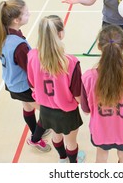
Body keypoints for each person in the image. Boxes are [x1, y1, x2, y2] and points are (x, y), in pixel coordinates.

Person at [81, 25, 123, 163]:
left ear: (99, 46)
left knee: (101, 156)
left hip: (101, 130)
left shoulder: (88, 77)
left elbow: (85, 111)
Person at [27, 15, 85, 163]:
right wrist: (88, 107)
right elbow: (78, 94)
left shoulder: (32, 56)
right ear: (60, 34)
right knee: (71, 142)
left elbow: (31, 83)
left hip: (46, 109)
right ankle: (73, 164)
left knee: (55, 135)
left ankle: (62, 159)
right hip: (67, 112)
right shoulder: (70, 61)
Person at [0, 0, 50, 152]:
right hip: (22, 86)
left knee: (27, 107)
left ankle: (35, 131)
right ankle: (35, 139)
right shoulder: (19, 46)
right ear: (16, 20)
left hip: (11, 83)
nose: (30, 14)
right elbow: (31, 70)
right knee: (48, 113)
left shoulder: (4, 35)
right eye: (26, 13)